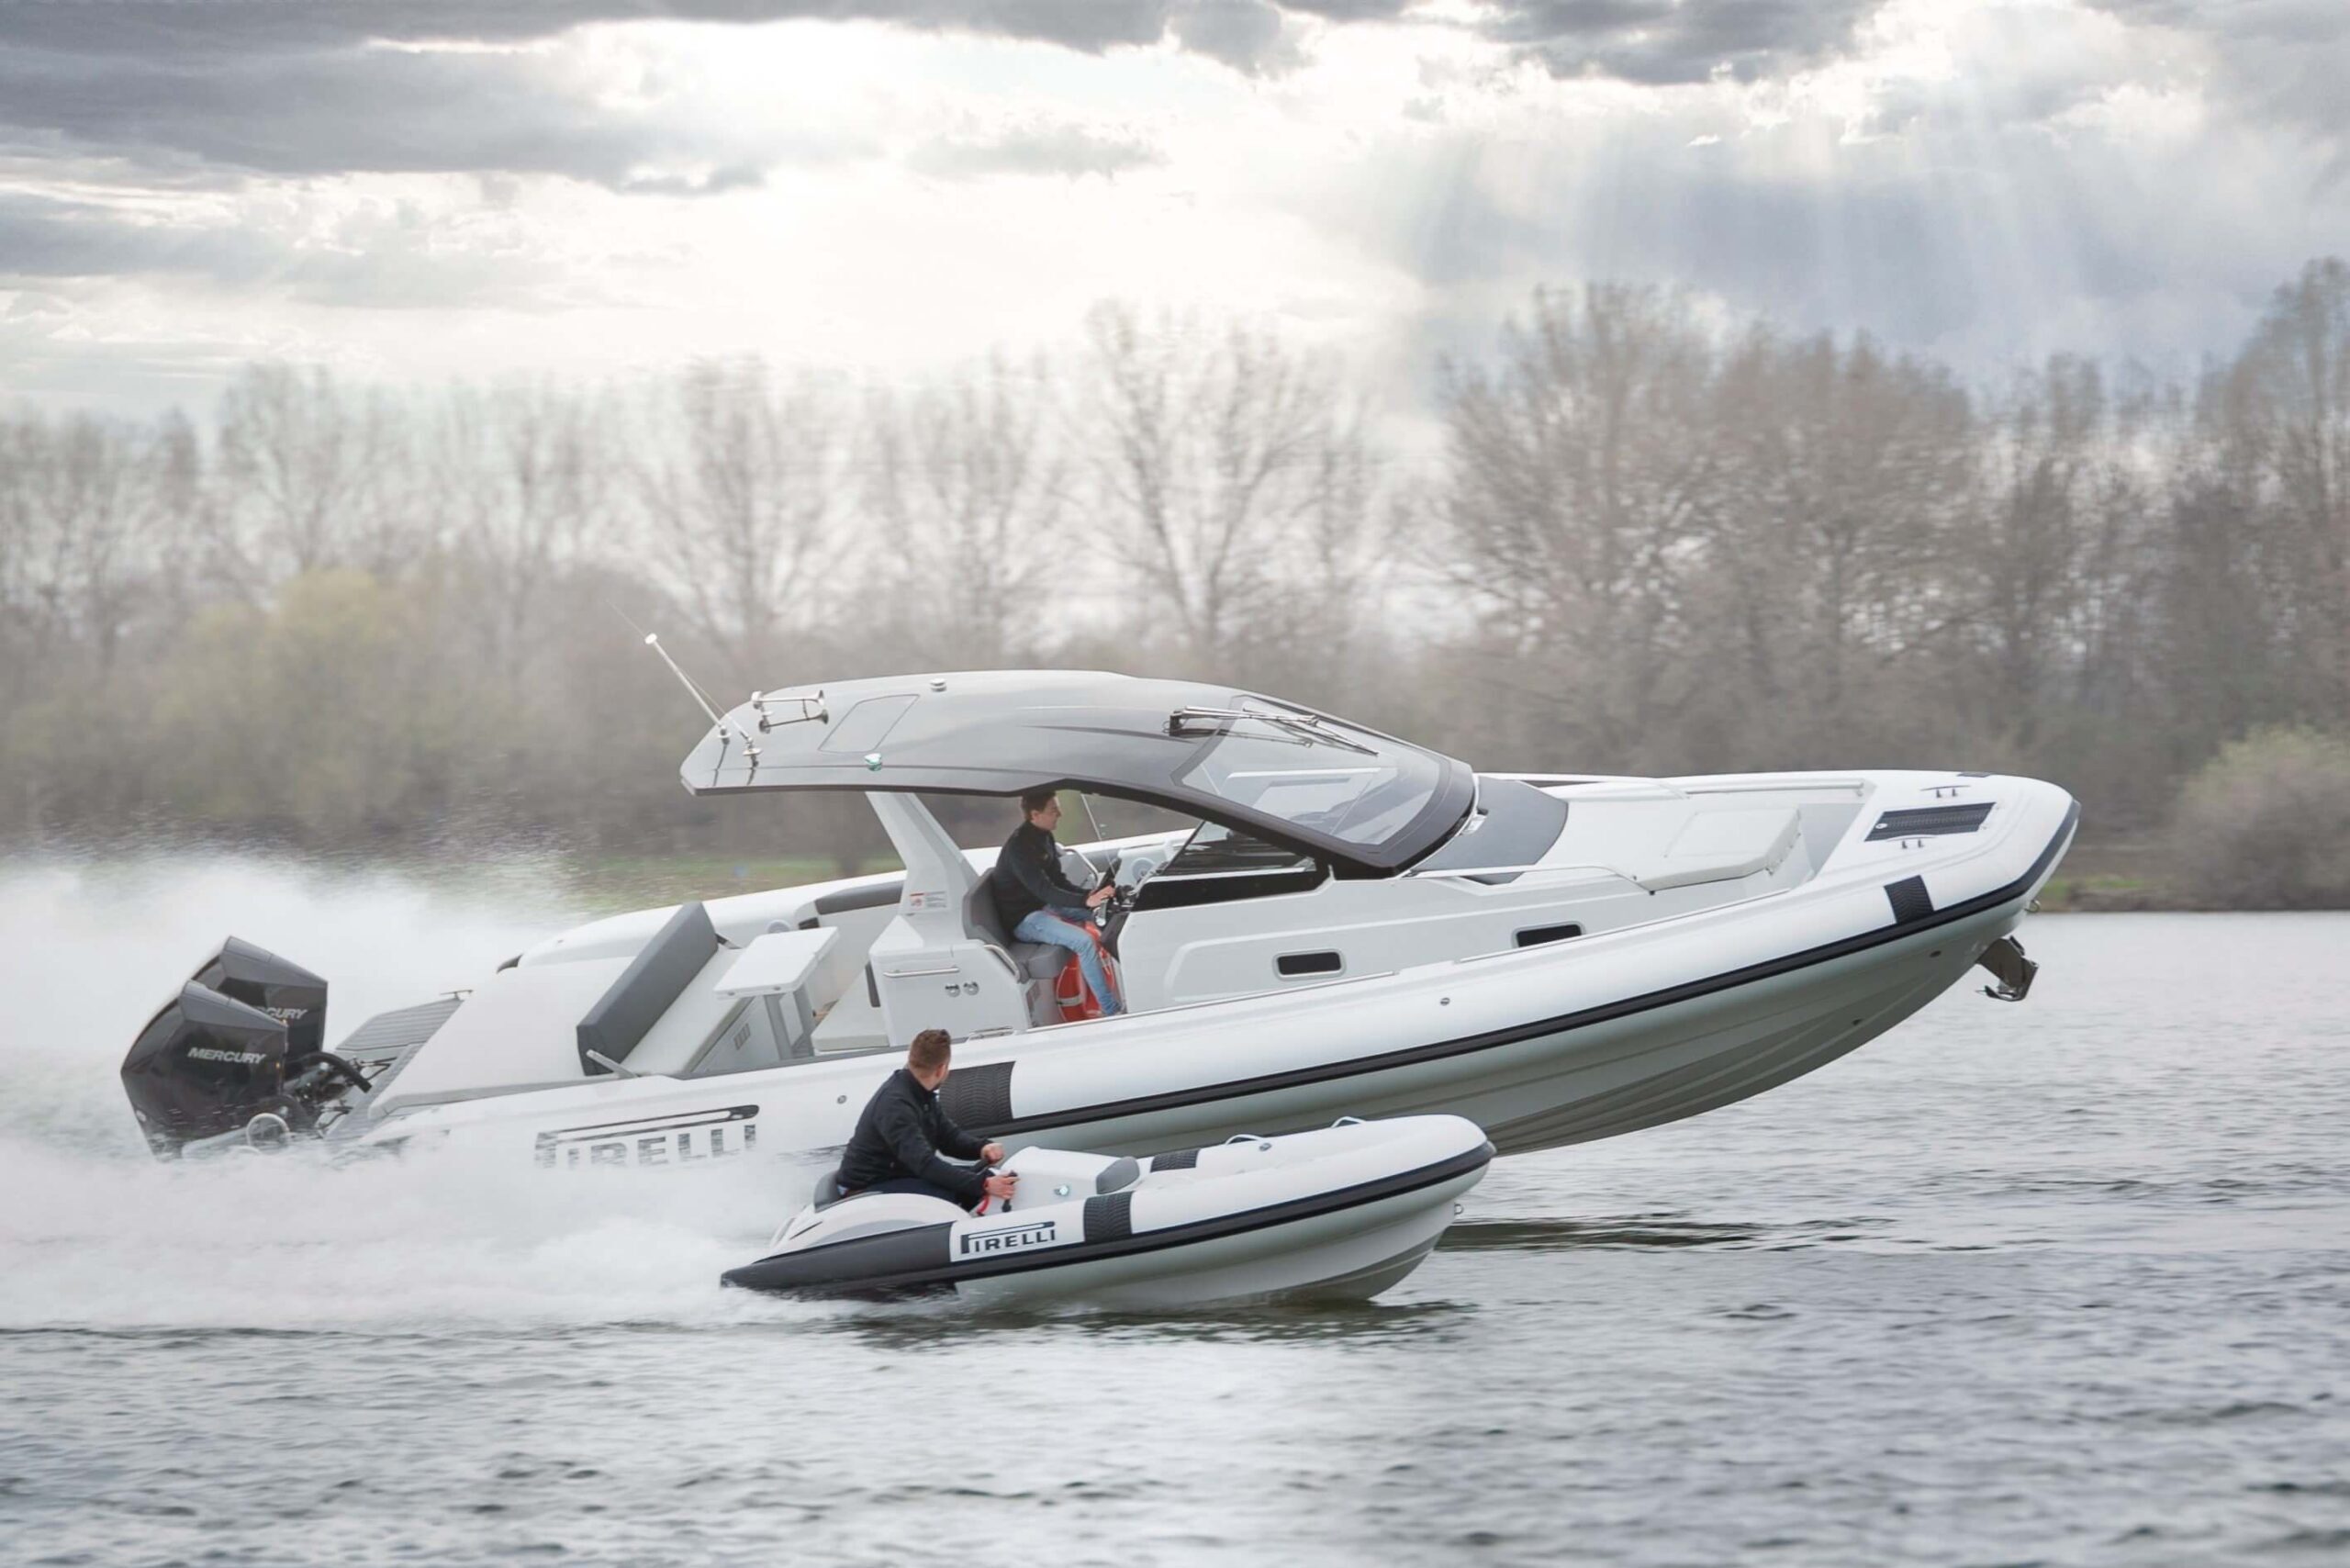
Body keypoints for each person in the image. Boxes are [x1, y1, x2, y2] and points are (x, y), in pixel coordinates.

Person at [836, 1028, 1014, 1210]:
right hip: (867, 1187)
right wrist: (982, 1185)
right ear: (941, 1069)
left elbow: (947, 1138)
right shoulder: (895, 1105)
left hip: (899, 1174)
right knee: (956, 1196)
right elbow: (923, 1163)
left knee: (977, 1179)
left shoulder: (920, 1094)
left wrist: (981, 1148)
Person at [990, 788, 1125, 1016]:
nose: (1059, 814)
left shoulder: (1044, 836)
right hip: (1026, 919)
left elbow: (1058, 880)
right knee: (1084, 942)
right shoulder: (1019, 848)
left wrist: (1092, 895)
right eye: (1054, 810)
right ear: (1035, 815)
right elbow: (1045, 890)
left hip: (1044, 905)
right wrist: (1085, 900)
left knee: (1108, 913)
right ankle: (1110, 1009)